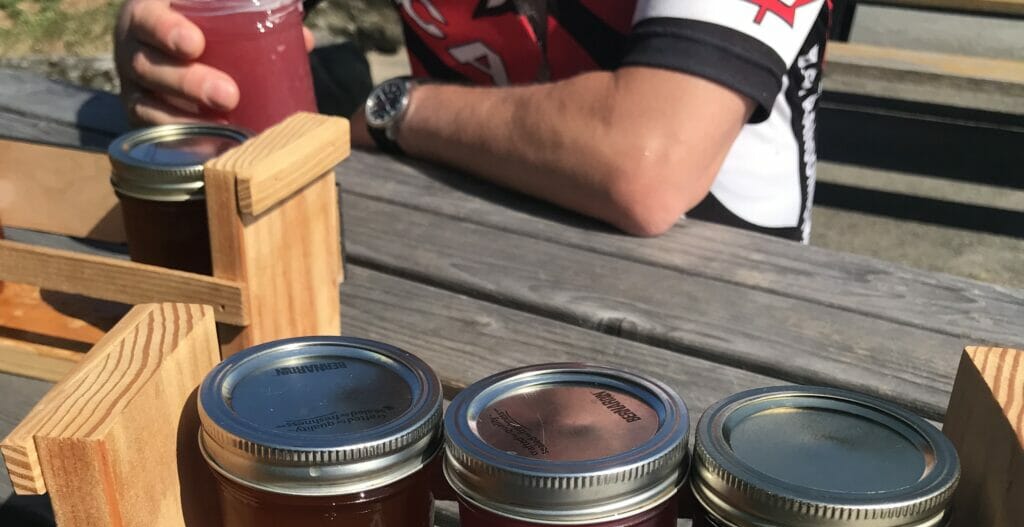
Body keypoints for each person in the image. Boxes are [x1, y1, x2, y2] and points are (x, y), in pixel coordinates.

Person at [114, 0, 828, 239]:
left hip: (714, 292)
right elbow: (214, 25)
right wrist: (163, 40)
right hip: (450, 236)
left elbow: (644, 164)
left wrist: (390, 111)